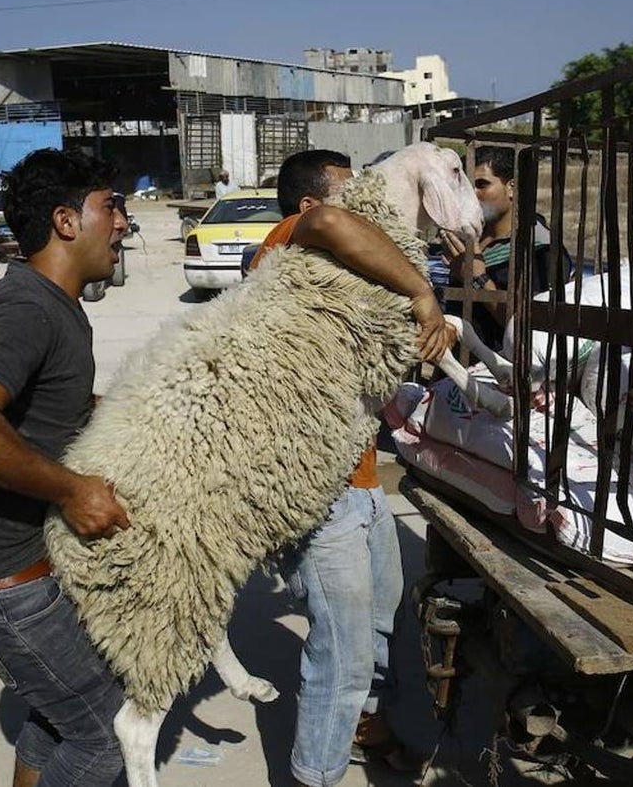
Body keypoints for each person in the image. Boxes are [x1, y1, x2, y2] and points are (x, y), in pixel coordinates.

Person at [0, 148, 130, 787]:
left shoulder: (54, 305)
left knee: (58, 715)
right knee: (103, 736)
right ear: (66, 222)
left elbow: (41, 411)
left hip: (9, 572)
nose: (124, 221)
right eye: (111, 206)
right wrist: (72, 491)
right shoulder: (25, 309)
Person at [250, 149, 449, 787]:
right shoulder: (284, 246)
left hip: (361, 484)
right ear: (309, 207)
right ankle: (318, 774)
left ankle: (369, 728)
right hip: (318, 493)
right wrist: (420, 293)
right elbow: (336, 226)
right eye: (349, 194)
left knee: (380, 623)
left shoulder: (338, 283)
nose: (364, 207)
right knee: (340, 652)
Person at [438, 145, 563, 350]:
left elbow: (534, 331)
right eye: (466, 187)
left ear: (512, 187)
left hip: (498, 372)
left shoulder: (539, 248)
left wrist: (477, 279)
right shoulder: (468, 236)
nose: (471, 195)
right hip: (456, 369)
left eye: (481, 184)